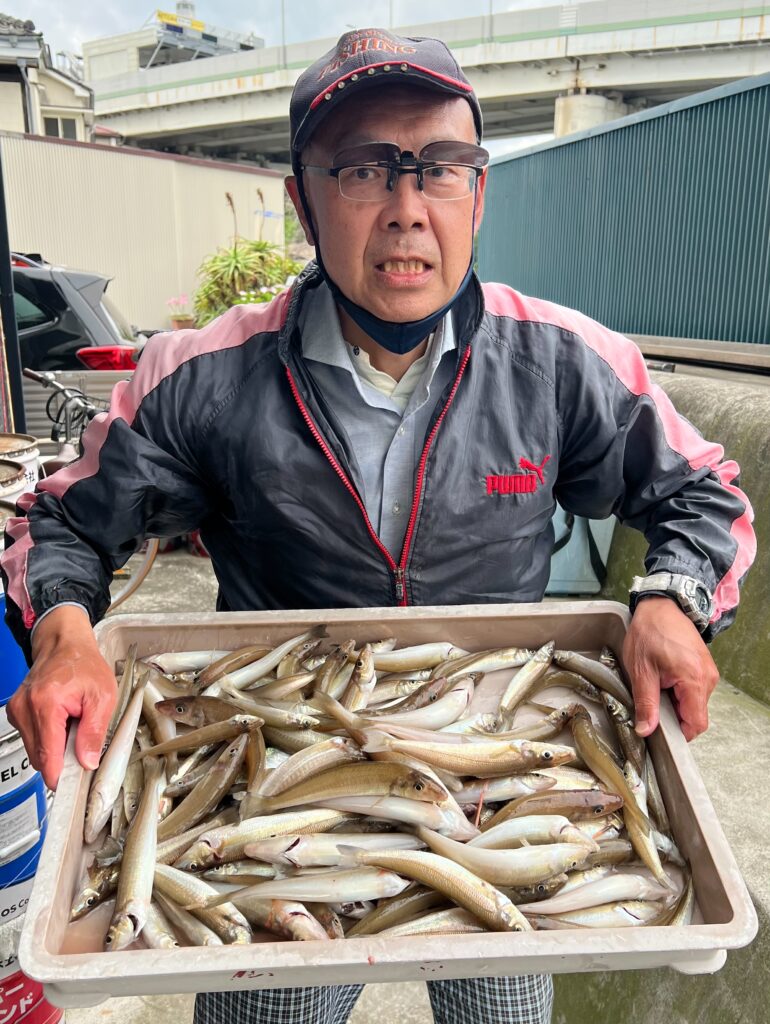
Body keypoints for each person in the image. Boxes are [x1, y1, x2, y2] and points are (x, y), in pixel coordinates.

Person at [0, 27, 755, 1024]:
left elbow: (701, 495)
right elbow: (59, 521)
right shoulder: (198, 377)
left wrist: (670, 601)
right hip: (276, 772)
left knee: (500, 995)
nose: (406, 208)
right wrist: (62, 633)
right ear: (302, 200)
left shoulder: (566, 362)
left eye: (439, 168)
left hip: (497, 751)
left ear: (477, 195)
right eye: (363, 169)